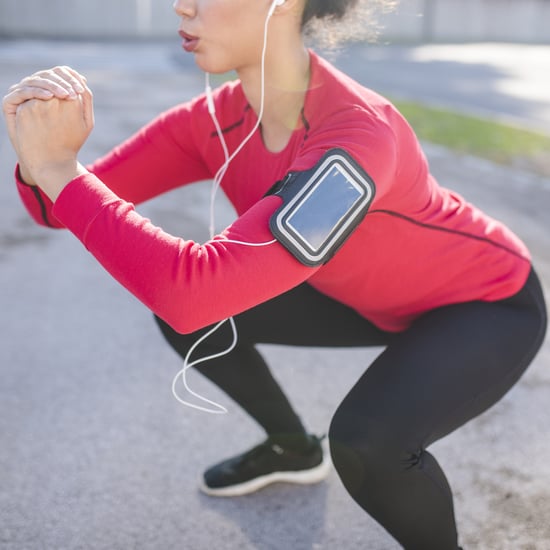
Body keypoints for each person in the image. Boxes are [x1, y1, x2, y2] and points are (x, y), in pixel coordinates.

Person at [2, 0, 547, 547]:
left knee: (368, 446)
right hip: (365, 296)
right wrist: (38, 156)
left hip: (484, 303)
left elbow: (188, 289)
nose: (181, 6)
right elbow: (55, 207)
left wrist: (58, 170)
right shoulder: (211, 122)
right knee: (201, 324)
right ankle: (291, 446)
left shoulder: (359, 135)